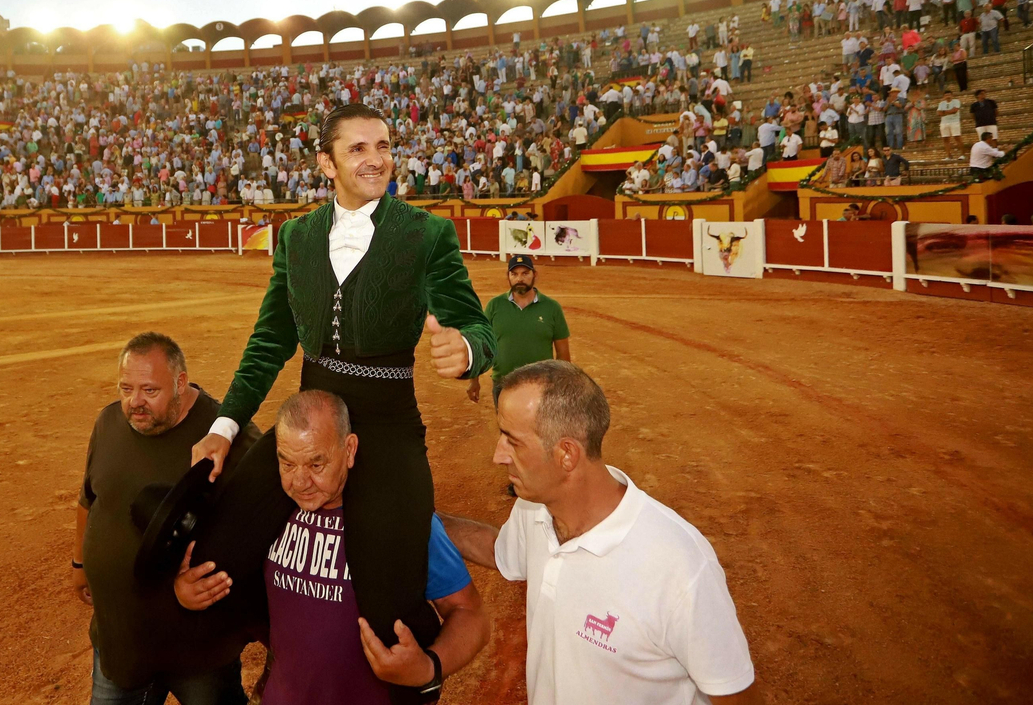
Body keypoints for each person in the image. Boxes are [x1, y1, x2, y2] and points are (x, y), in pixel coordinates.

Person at [190, 103, 497, 660]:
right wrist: (225, 426)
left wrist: (470, 350)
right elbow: (268, 341)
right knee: (221, 549)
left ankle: (413, 683)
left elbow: (474, 322)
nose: (376, 159)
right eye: (358, 148)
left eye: (383, 146)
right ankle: (283, 650)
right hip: (311, 413)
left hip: (388, 421)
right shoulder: (297, 237)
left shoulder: (427, 233)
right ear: (325, 163)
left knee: (389, 597)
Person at [439, 361, 760, 705]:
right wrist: (419, 519)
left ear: (566, 455)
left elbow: (735, 695)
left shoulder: (678, 567)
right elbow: (500, 551)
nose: (498, 455)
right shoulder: (536, 508)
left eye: (512, 441)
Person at [175, 390, 489, 704]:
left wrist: (428, 668)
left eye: (316, 464)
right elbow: (235, 590)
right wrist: (189, 592)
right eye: (287, 464)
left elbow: (468, 612)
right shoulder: (268, 513)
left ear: (349, 449)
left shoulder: (397, 520)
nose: (300, 482)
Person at [78, 333, 261, 705]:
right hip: (121, 645)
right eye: (126, 388)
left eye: (149, 390)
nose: (134, 403)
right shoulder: (108, 423)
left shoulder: (226, 436)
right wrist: (80, 563)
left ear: (180, 383)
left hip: (198, 653)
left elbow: (263, 531)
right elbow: (89, 500)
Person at [468, 254, 570, 407]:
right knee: (507, 429)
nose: (519, 279)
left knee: (539, 430)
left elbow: (563, 353)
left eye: (525, 273)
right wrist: (473, 380)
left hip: (540, 385)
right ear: (508, 276)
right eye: (514, 274)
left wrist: (562, 384)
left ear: (534, 275)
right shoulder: (495, 306)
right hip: (504, 383)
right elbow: (481, 345)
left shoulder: (552, 307)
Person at [937, 94, 963, 159]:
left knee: (957, 137)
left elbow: (955, 111)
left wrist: (944, 112)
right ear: (944, 96)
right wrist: (950, 111)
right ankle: (948, 155)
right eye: (946, 95)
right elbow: (939, 113)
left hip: (954, 122)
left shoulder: (956, 101)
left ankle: (962, 155)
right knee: (945, 139)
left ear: (952, 95)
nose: (947, 96)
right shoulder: (941, 103)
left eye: (949, 95)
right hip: (944, 123)